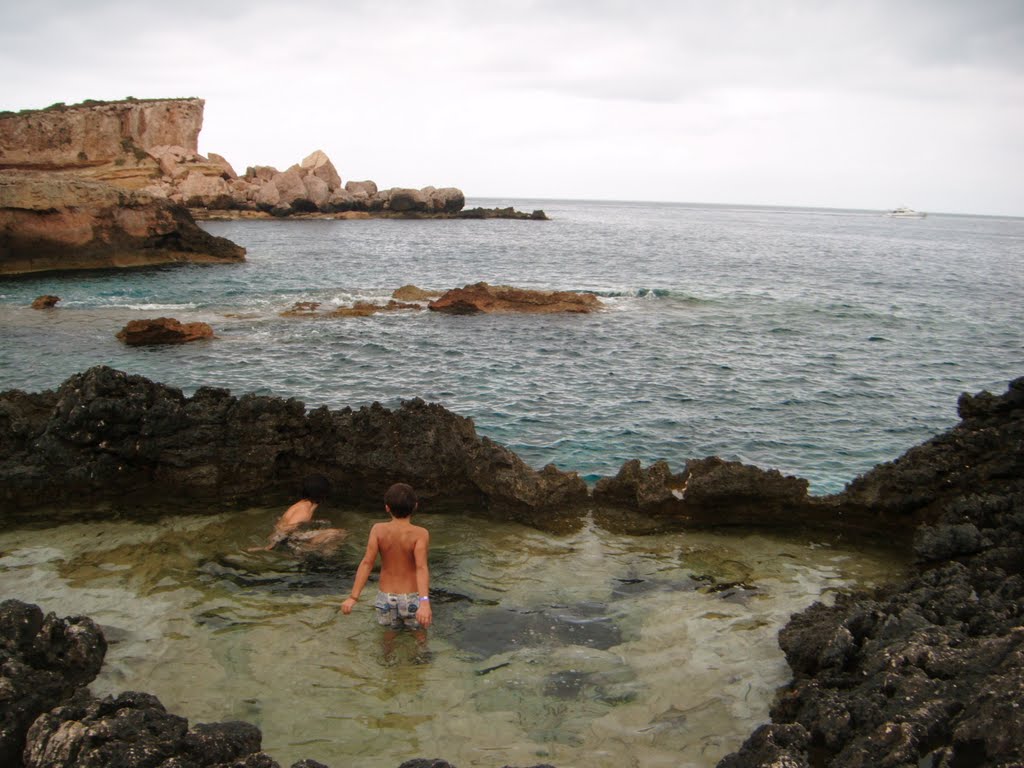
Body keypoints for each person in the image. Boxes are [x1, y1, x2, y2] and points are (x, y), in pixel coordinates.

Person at [340, 482, 432, 630]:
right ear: (415, 506)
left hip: (385, 597)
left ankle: (387, 654)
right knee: (419, 635)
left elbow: (367, 563)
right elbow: (421, 568)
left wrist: (353, 597)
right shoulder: (421, 533)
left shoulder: (378, 530)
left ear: (387, 507)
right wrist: (425, 601)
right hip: (411, 597)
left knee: (388, 638)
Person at [249, 474, 348, 554]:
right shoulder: (304, 512)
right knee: (338, 533)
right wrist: (269, 547)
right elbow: (285, 530)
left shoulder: (302, 504)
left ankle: (324, 554)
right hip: (287, 544)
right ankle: (324, 556)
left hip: (288, 539)